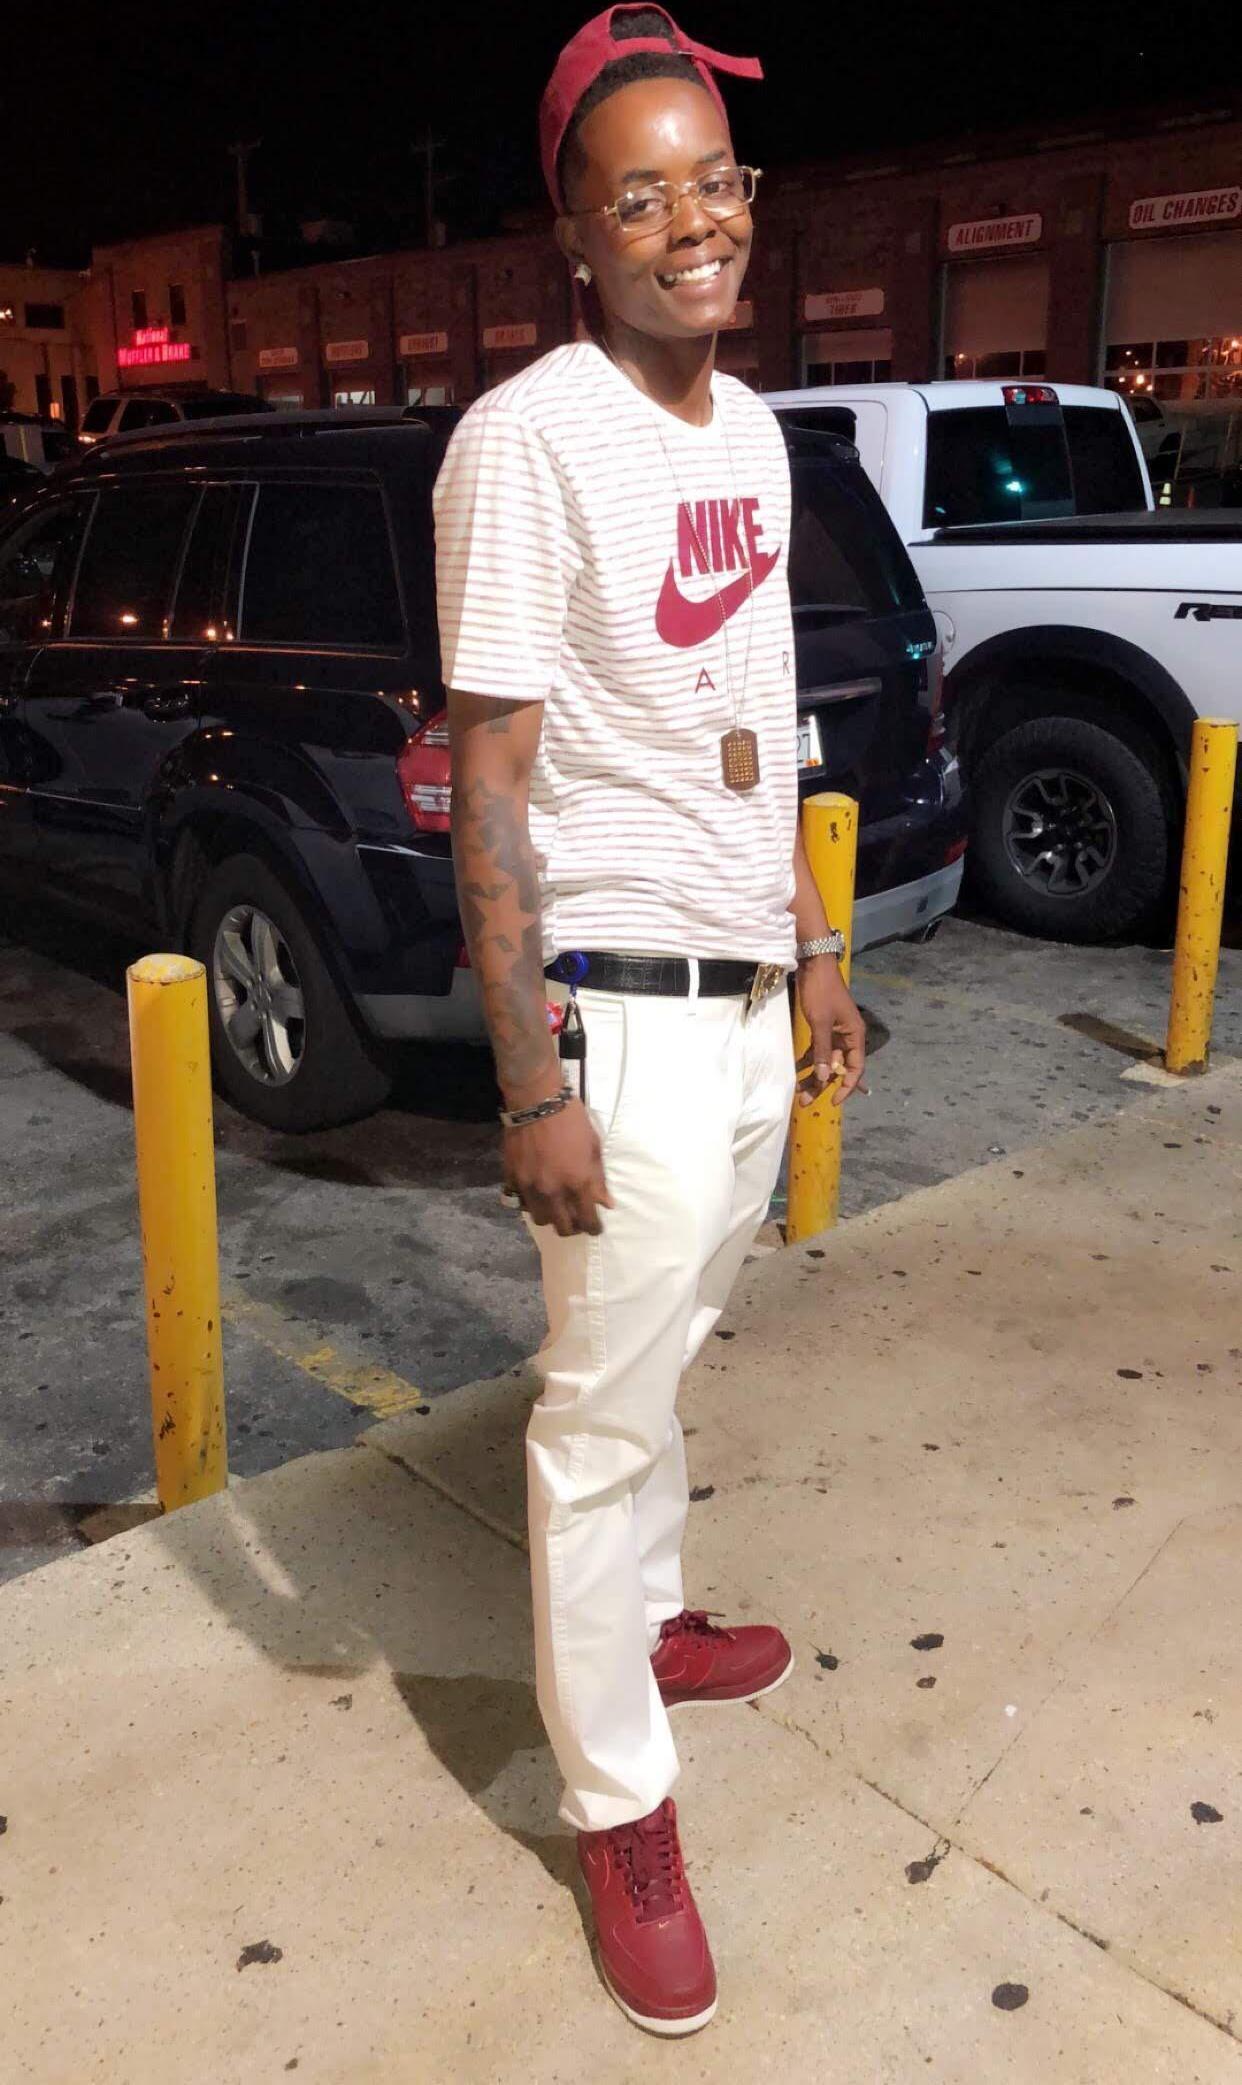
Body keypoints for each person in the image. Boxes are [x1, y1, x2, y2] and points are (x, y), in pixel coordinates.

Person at [433, 4, 866, 2036]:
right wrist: (531, 1078)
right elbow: (491, 777)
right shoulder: (525, 444)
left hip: (745, 996)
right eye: (642, 197)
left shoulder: (753, 434)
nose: (693, 223)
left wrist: (819, 945)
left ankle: (653, 1623)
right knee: (596, 1426)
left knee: (670, 1345)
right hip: (612, 1012)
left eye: (716, 180)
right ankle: (619, 1800)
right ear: (576, 236)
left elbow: (756, 719)